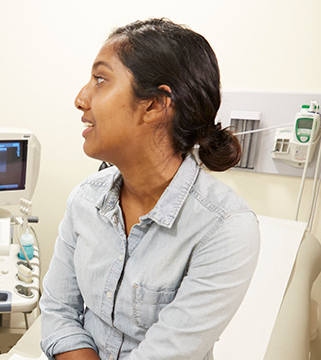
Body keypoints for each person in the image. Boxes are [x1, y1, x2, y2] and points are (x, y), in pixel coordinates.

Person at [39, 18, 260, 360]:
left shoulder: (224, 228)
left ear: (155, 105)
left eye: (100, 80)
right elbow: (58, 311)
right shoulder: (85, 199)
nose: (81, 99)